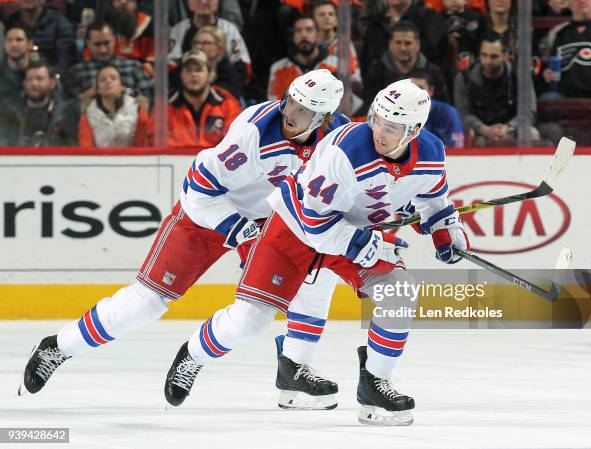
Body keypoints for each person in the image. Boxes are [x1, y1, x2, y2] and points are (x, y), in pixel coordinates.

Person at [20, 69, 351, 411]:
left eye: (304, 112)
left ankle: (276, 371)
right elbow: (199, 191)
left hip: (271, 220)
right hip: (210, 211)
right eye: (290, 103)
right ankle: (58, 346)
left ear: (324, 118)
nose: (291, 116)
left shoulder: (337, 137)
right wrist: (235, 227)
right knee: (145, 303)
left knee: (294, 292)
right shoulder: (253, 132)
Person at [163, 79, 469, 426]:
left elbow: (432, 200)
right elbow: (315, 225)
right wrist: (369, 246)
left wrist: (446, 231)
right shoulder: (344, 151)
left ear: (414, 130)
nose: (379, 132)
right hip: (293, 231)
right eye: (377, 120)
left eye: (392, 127)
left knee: (398, 290)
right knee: (251, 321)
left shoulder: (432, 152)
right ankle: (193, 355)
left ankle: (375, 383)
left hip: (346, 233)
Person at [454, 35, 539, 144]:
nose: (488, 61)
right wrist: (484, 129)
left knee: (531, 133)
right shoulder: (465, 78)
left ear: (504, 56)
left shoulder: (520, 76)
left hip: (511, 130)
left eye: (494, 56)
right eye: (484, 55)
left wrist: (509, 127)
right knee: (465, 133)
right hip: (478, 131)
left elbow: (529, 112)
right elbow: (462, 114)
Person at [358, 20, 450, 116]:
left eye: (407, 43)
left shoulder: (434, 72)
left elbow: (442, 107)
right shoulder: (376, 70)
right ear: (390, 44)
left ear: (417, 44)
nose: (403, 48)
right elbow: (369, 104)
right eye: (398, 42)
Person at [539, 0, 591, 115]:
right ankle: (560, 133)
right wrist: (545, 72)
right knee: (547, 101)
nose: (582, 0)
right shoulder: (558, 32)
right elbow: (543, 63)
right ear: (568, 3)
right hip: (564, 94)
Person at [159, 50, 242, 148]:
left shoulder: (228, 103)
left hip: (216, 161)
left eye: (198, 70)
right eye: (188, 70)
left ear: (210, 75)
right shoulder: (165, 105)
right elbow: (156, 139)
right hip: (176, 160)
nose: (193, 74)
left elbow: (235, 140)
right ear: (181, 75)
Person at [69, 21, 153, 110]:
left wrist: (126, 91)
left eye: (106, 43)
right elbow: (67, 107)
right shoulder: (77, 72)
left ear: (114, 40)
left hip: (131, 121)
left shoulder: (133, 66)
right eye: (97, 45)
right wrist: (89, 94)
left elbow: (150, 100)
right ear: (88, 44)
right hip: (90, 121)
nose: (103, 50)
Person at [0, 60, 79, 147]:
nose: (34, 84)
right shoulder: (11, 112)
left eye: (39, 79)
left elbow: (70, 146)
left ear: (52, 83)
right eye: (30, 79)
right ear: (24, 83)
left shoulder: (65, 113)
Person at [168, 0, 251, 80]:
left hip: (223, 86)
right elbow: (170, 67)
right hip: (187, 86)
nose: (203, 1)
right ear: (188, 2)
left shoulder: (229, 29)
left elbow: (244, 67)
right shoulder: (179, 30)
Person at [267, 14, 338, 101]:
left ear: (318, 35)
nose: (304, 35)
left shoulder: (336, 65)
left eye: (309, 30)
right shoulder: (278, 69)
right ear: (293, 37)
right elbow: (275, 105)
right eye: (298, 31)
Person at [79, 64, 149, 147]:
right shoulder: (88, 113)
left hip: (133, 158)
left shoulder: (137, 107)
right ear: (98, 89)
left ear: (121, 86)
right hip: (100, 158)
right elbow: (86, 146)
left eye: (113, 78)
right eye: (102, 80)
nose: (108, 81)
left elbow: (143, 141)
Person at [6, 0, 76, 78]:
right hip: (17, 78)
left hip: (52, 78)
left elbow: (65, 60)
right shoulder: (12, 21)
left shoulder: (59, 23)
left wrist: (54, 79)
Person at [410, 69, 465, 148]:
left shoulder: (448, 113)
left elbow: (456, 148)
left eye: (420, 88)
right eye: (410, 88)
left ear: (431, 90)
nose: (414, 93)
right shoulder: (395, 113)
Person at [105, 0, 155, 73]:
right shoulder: (104, 25)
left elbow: (154, 60)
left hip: (141, 74)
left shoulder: (150, 25)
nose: (123, 2)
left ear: (136, 3)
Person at [0, 24, 32, 99]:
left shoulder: (42, 71)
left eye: (19, 40)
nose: (13, 44)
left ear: (30, 44)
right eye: (9, 40)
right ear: (4, 45)